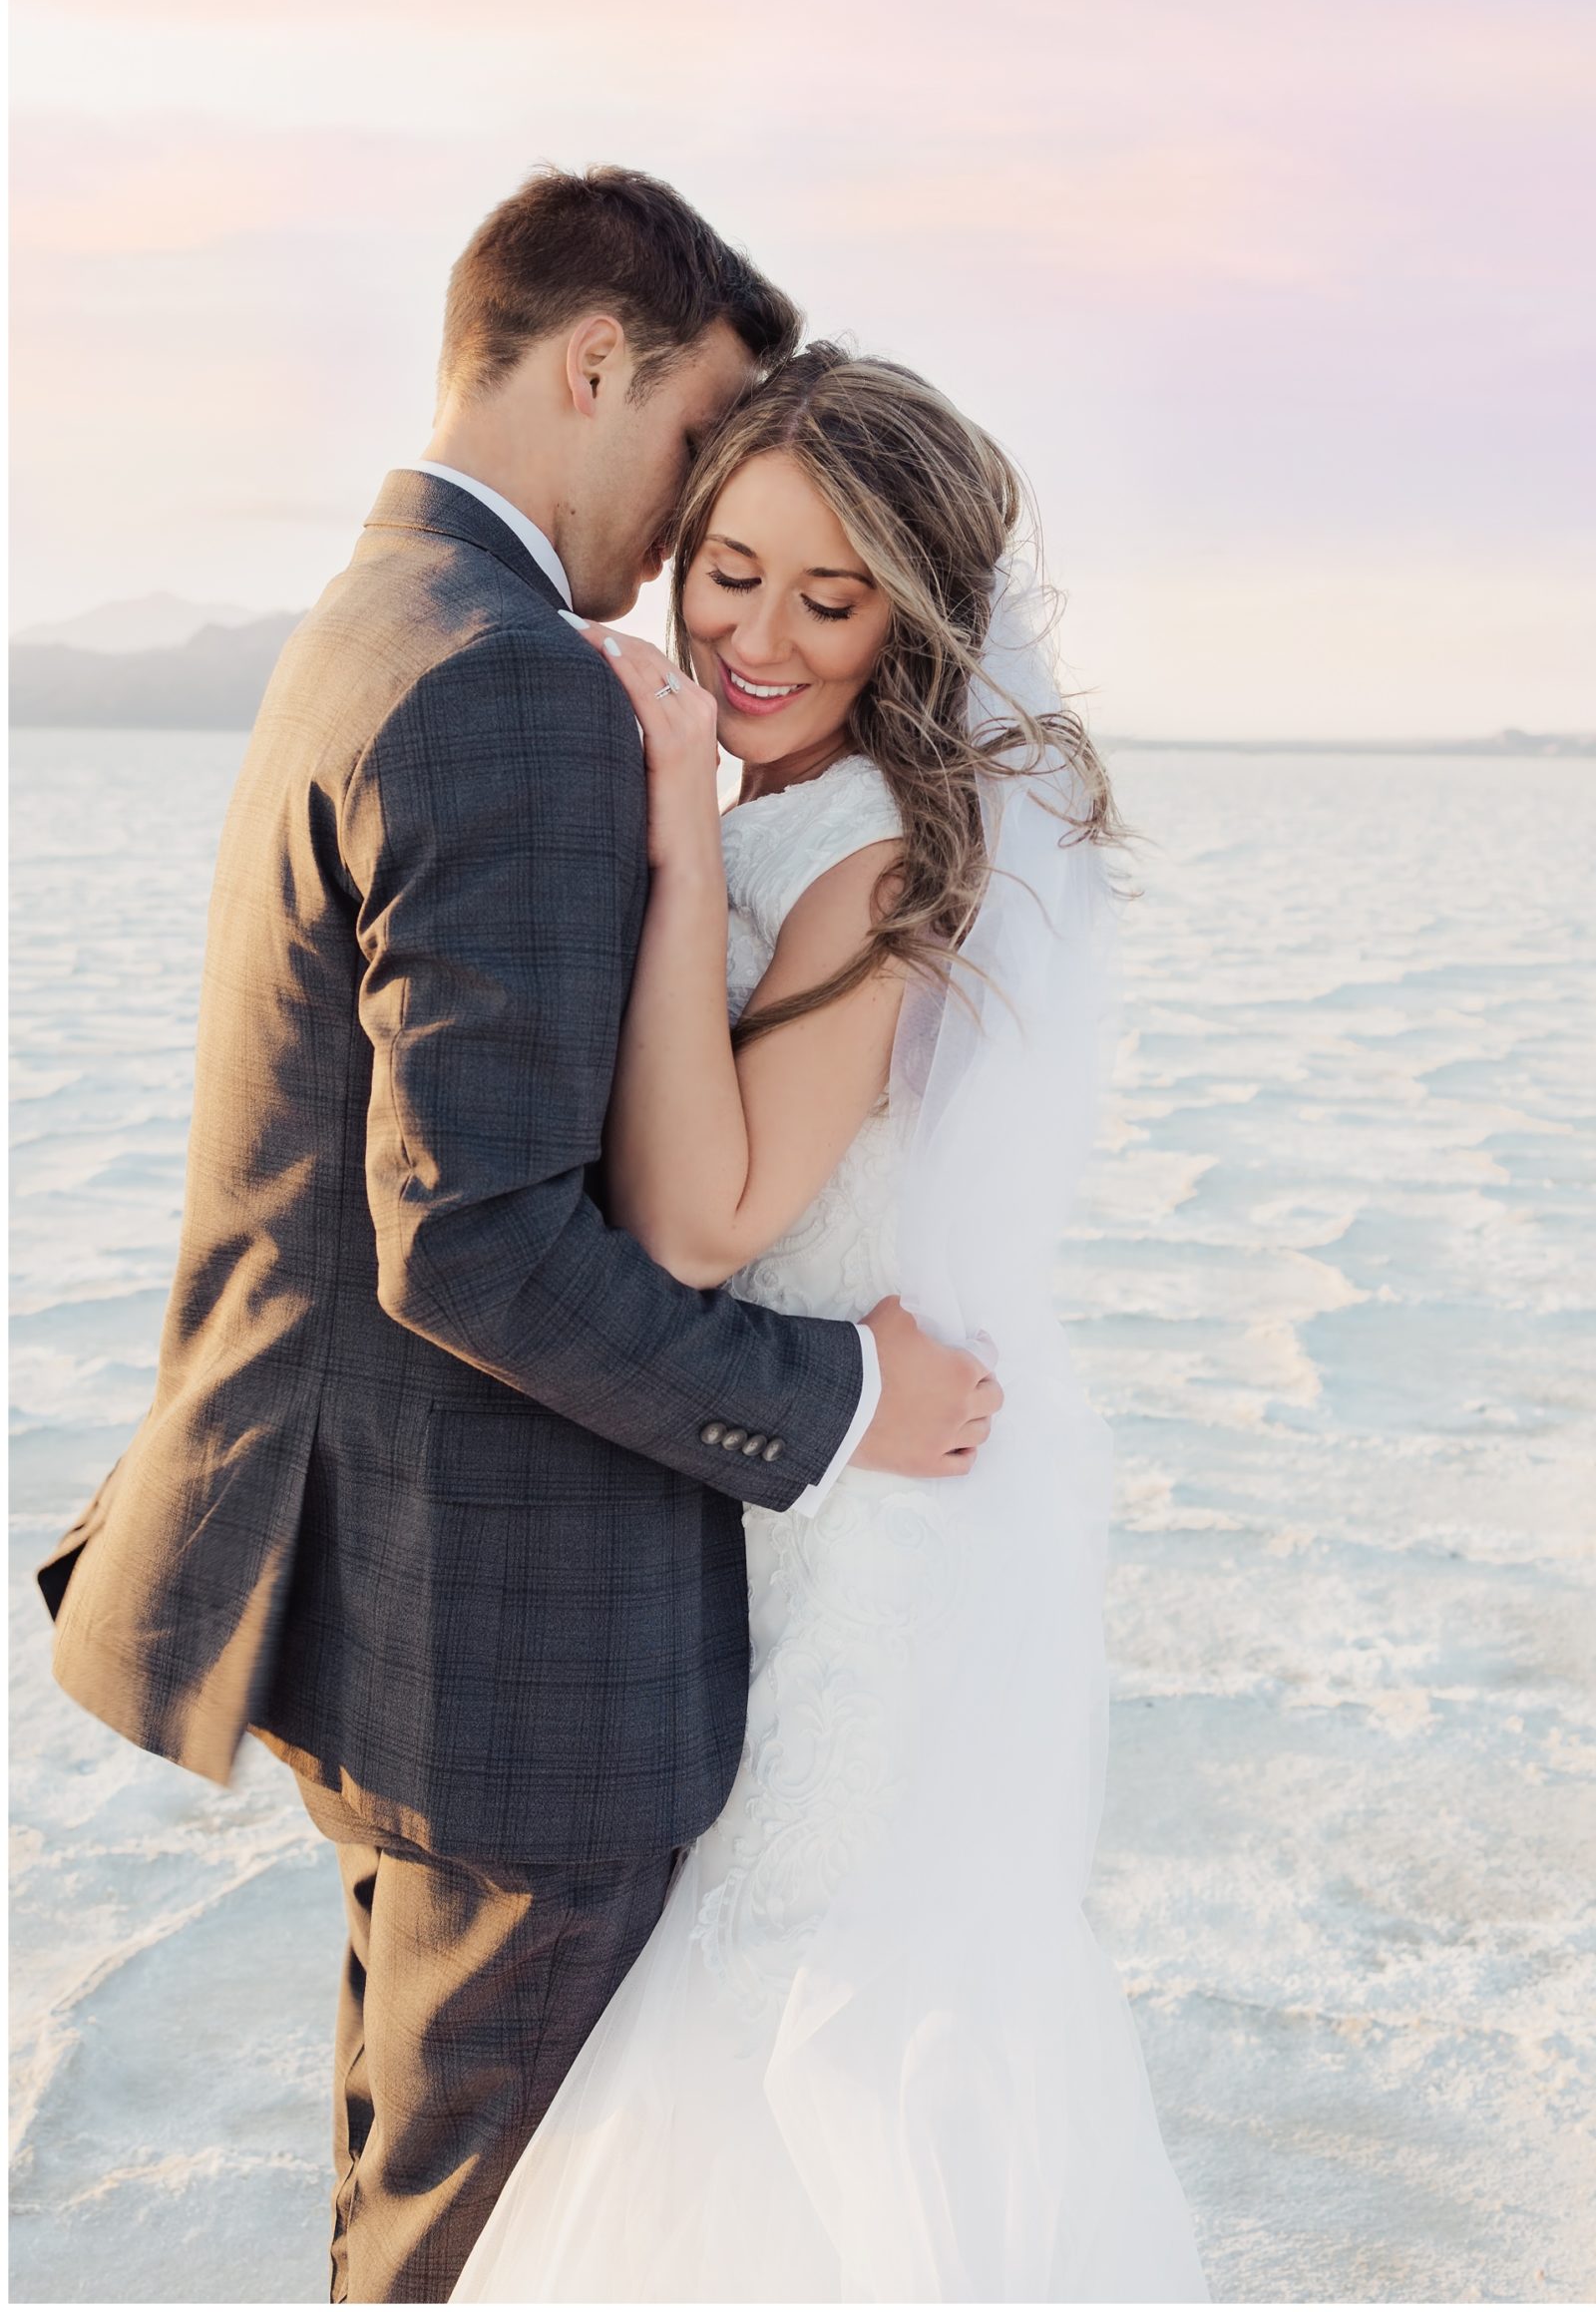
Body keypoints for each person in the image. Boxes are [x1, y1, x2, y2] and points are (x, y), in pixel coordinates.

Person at [35, 170, 1000, 2306]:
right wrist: (842, 1393)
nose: (683, 564)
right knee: (472, 2255)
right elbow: (474, 1244)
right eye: (694, 467)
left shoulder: (378, 619)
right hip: (511, 1656)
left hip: (400, 1610)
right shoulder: (509, 686)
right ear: (596, 365)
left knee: (421, 2213)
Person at [451, 342, 1210, 2302]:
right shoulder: (797, 799)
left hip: (859, 1562)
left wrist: (682, 820)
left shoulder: (865, 851)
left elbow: (701, 1221)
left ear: (907, 615)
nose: (758, 633)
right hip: (777, 1496)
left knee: (801, 2032)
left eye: (828, 594)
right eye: (729, 568)